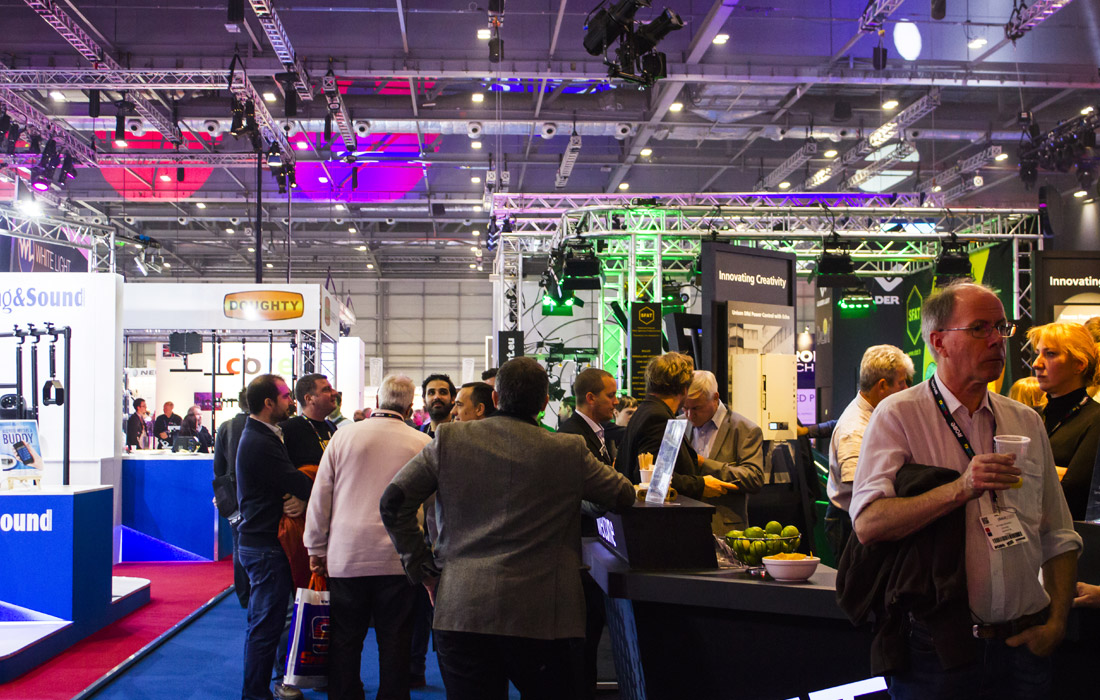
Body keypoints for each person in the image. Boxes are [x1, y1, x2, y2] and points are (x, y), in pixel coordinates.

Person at [847, 281, 1081, 699]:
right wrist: (961, 488)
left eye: (1000, 327)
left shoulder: (1025, 422)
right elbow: (868, 523)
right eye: (979, 329)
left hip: (1025, 646)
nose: (996, 340)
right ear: (939, 341)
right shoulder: (899, 414)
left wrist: (1057, 623)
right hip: (937, 651)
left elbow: (1059, 534)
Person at [380, 357, 636, 700]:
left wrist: (422, 569)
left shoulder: (448, 440)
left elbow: (392, 502)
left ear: (497, 398)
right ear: (545, 403)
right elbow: (622, 495)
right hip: (547, 616)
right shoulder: (568, 449)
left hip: (462, 608)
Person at [304, 375, 431, 700]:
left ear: (378, 400)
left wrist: (315, 547)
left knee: (345, 639)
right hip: (399, 557)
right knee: (396, 640)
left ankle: (345, 694)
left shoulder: (344, 437)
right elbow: (432, 507)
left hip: (347, 556)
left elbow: (322, 497)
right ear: (410, 403)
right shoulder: (421, 443)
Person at [236, 374, 315, 700]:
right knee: (266, 627)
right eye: (284, 396)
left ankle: (260, 690)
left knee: (267, 623)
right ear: (268, 403)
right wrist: (321, 479)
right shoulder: (259, 441)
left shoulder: (266, 435)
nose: (290, 401)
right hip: (265, 545)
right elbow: (295, 482)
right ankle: (255, 694)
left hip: (265, 542)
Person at [556, 367, 619, 700]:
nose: (616, 401)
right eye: (611, 395)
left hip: (591, 548)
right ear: (591, 398)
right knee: (582, 641)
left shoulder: (595, 433)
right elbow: (578, 495)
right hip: (578, 550)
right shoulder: (573, 435)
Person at [823, 345, 913, 557]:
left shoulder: (876, 415)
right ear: (882, 386)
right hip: (850, 524)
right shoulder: (854, 431)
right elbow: (860, 489)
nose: (907, 390)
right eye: (902, 383)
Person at [614, 352, 735, 500]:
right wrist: (701, 485)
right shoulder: (659, 418)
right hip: (658, 518)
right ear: (685, 388)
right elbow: (652, 477)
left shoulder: (646, 411)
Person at [1028, 321, 1100, 519]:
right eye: (1038, 353)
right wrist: (1056, 473)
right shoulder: (1029, 416)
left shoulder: (1095, 419)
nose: (1036, 363)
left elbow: (1074, 489)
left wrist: (1025, 470)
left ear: (1079, 364)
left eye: (1050, 354)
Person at [682, 370, 765, 536]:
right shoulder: (678, 424)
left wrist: (703, 463)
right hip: (684, 526)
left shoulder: (745, 430)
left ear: (715, 398)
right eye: (685, 408)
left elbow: (754, 478)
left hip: (725, 531)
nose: (690, 415)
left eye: (697, 408)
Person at [213, 389, 251, 608]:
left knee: (238, 544)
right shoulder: (264, 427)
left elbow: (218, 468)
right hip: (258, 496)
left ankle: (243, 594)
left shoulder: (225, 427)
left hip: (232, 494)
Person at [278, 374, 338, 469]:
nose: (335, 393)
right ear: (309, 399)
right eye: (326, 389)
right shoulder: (288, 429)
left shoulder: (331, 426)